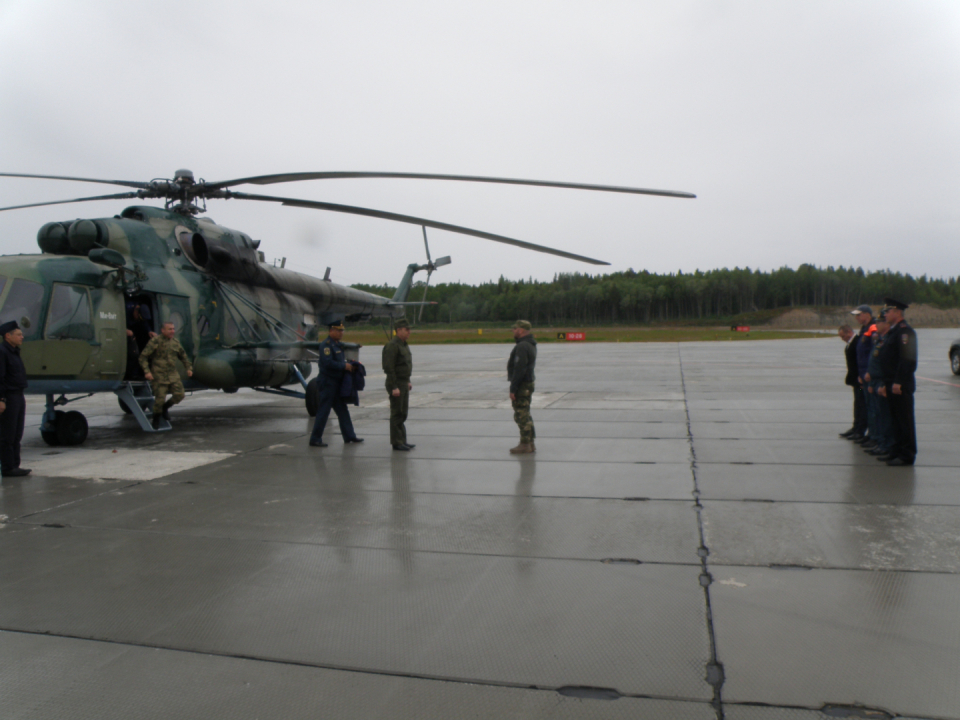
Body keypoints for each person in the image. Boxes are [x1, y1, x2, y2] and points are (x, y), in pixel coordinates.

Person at [877, 298, 918, 466]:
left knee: (904, 420)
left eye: (888, 311)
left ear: (897, 312)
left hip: (900, 384)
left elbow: (908, 360)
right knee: (894, 420)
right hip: (890, 382)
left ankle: (907, 454)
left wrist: (899, 381)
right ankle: (896, 449)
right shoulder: (893, 332)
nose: (885, 314)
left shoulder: (905, 332)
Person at [309, 321, 363, 447]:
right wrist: (345, 366)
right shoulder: (326, 346)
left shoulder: (338, 345)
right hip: (327, 382)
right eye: (338, 330)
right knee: (324, 411)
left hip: (336, 383)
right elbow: (328, 363)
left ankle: (349, 436)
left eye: (342, 331)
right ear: (330, 331)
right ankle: (315, 438)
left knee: (342, 410)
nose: (341, 333)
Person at [139, 321, 194, 429]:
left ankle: (166, 407)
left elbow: (183, 356)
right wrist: (147, 371)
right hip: (159, 374)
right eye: (170, 329)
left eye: (173, 329)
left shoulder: (175, 343)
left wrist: (189, 368)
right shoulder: (155, 341)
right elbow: (143, 357)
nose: (172, 331)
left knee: (180, 395)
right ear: (163, 330)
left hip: (172, 374)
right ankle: (156, 418)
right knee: (159, 400)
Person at [0, 320, 30, 477]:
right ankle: (7, 467)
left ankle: (14, 465)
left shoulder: (14, 351)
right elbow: (0, 378)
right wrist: (1, 399)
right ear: (7, 336)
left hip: (18, 395)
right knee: (8, 434)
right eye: (18, 334)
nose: (22, 337)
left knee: (17, 433)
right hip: (9, 397)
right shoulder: (2, 352)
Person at [863, 310, 893, 457]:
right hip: (874, 381)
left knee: (884, 416)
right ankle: (880, 442)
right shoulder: (880, 339)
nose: (876, 325)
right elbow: (874, 361)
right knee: (877, 414)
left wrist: (881, 383)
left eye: (879, 322)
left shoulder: (888, 339)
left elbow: (886, 364)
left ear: (886, 324)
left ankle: (885, 444)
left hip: (881, 381)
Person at [382, 317, 414, 451]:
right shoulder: (392, 346)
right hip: (396, 383)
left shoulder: (404, 344)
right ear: (399, 330)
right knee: (396, 413)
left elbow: (404, 365)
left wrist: (408, 381)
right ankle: (396, 442)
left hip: (403, 382)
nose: (409, 332)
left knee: (403, 413)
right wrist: (394, 386)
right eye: (406, 330)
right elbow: (389, 368)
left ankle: (402, 439)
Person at [507, 319, 537, 454]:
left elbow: (519, 369)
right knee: (526, 412)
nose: (513, 331)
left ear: (521, 330)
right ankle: (530, 442)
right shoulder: (530, 344)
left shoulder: (522, 346)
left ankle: (525, 444)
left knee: (521, 414)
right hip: (528, 382)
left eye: (515, 329)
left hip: (522, 384)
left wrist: (513, 388)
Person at [837, 324, 864, 439]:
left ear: (849, 332)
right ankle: (856, 427)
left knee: (862, 405)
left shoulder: (858, 342)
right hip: (855, 381)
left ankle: (860, 430)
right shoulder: (850, 344)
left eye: (843, 336)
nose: (843, 339)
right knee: (857, 404)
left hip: (860, 381)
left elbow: (861, 362)